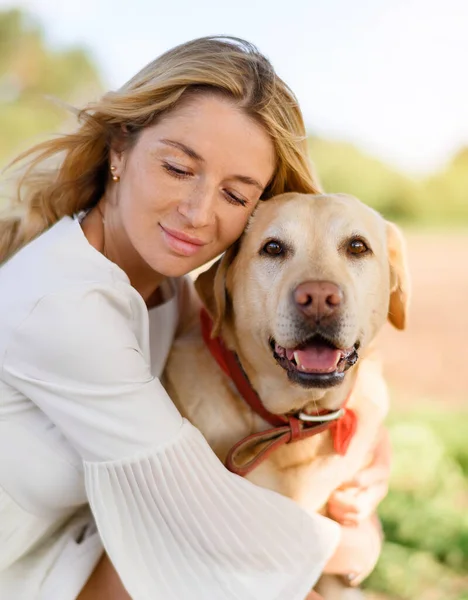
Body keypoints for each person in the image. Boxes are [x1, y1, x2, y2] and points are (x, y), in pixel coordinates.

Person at [0, 36, 389, 600]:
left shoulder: (169, 290)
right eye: (179, 168)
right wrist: (355, 545)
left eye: (235, 195)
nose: (198, 212)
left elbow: (350, 358)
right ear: (119, 148)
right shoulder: (63, 307)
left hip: (88, 546)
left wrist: (371, 451)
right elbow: (195, 506)